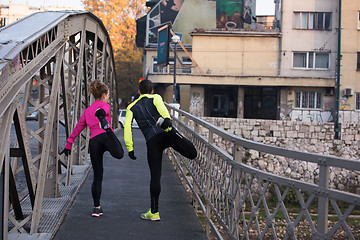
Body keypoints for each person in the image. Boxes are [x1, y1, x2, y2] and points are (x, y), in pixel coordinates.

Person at [124, 79, 197, 221]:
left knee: (155, 176)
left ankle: (154, 212)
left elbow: (127, 128)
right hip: (166, 133)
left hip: (152, 141)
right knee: (192, 153)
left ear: (139, 92)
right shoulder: (156, 97)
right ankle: (171, 130)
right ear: (152, 91)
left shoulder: (131, 107)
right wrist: (167, 120)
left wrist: (130, 148)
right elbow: (163, 111)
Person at [61, 80, 124, 217]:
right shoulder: (105, 106)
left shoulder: (87, 111)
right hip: (106, 137)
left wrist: (69, 143)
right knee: (119, 154)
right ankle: (107, 128)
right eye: (107, 94)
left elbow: (78, 127)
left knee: (97, 176)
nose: (108, 97)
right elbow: (104, 110)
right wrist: (101, 114)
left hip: (94, 141)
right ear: (104, 94)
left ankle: (96, 208)